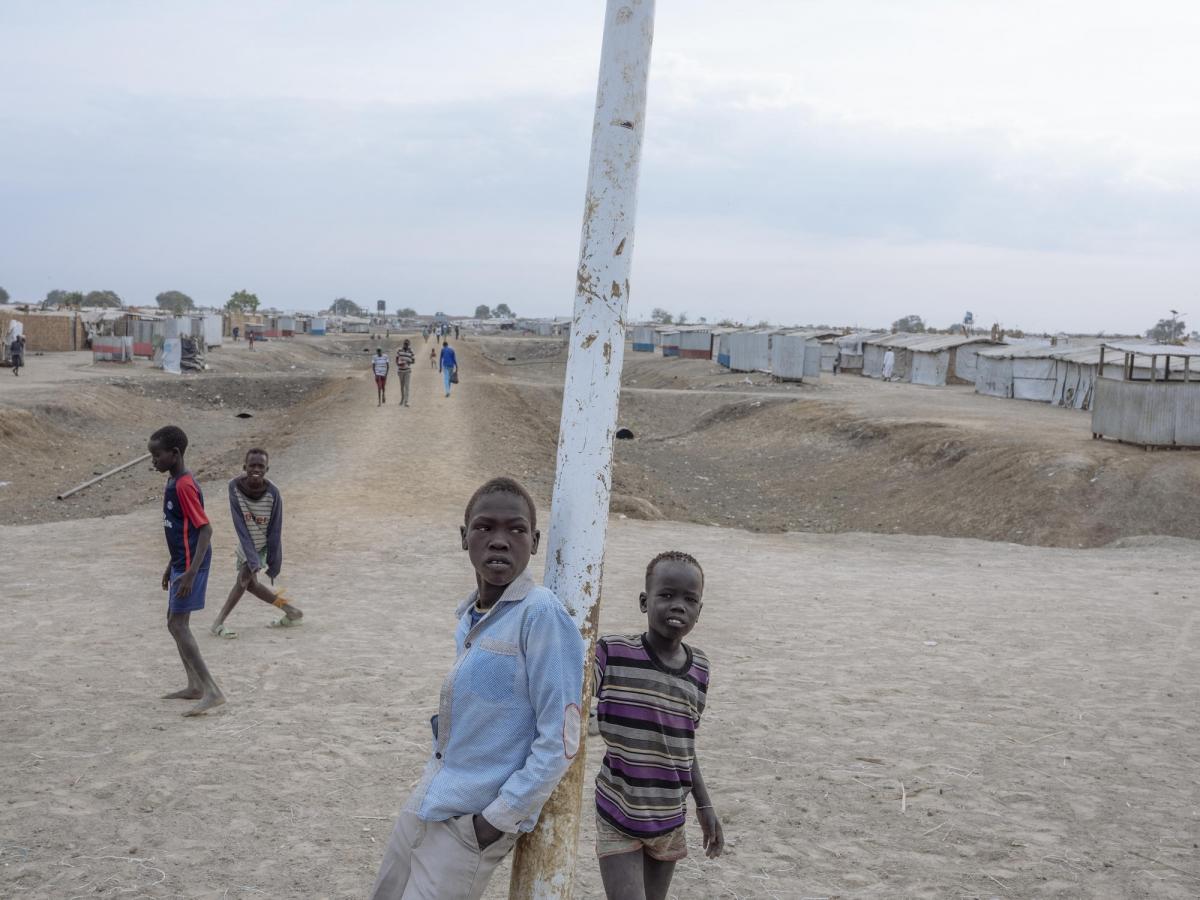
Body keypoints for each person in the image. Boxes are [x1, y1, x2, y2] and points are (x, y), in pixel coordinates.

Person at [369, 478, 584, 900]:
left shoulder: (540, 614)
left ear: (535, 541)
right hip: (431, 797)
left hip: (472, 822)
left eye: (516, 530)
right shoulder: (471, 616)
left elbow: (561, 739)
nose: (500, 541)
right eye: (485, 527)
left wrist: (498, 819)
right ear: (464, 537)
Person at [593, 551, 723, 900]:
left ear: (699, 611)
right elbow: (571, 690)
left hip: (668, 819)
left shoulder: (700, 670)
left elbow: (683, 745)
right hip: (617, 810)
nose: (677, 606)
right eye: (666, 595)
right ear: (643, 601)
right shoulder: (612, 653)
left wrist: (705, 805)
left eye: (689, 599)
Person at [148, 425, 225, 717]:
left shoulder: (184, 486)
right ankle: (194, 685)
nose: (153, 460)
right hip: (182, 562)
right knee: (173, 622)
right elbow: (181, 530)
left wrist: (191, 572)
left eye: (157, 455)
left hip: (193, 564)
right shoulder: (173, 482)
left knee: (179, 625)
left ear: (175, 454)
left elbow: (205, 529)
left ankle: (212, 690)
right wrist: (172, 563)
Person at [210, 448, 302, 638]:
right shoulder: (233, 487)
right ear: (245, 467)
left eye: (261, 466)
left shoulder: (273, 493)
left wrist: (272, 557)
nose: (256, 469)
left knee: (243, 580)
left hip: (262, 544)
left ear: (267, 469)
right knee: (250, 584)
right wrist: (250, 555)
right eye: (252, 465)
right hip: (246, 542)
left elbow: (275, 528)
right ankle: (292, 612)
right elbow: (239, 523)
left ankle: (218, 623)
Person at [394, 339, 415, 407]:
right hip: (400, 371)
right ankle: (402, 399)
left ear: (409, 345)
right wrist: (399, 363)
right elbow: (396, 359)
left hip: (407, 371)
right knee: (402, 387)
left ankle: (406, 401)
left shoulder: (411, 351)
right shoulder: (399, 350)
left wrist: (409, 362)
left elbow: (413, 360)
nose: (406, 345)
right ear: (403, 344)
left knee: (407, 386)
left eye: (407, 344)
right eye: (405, 344)